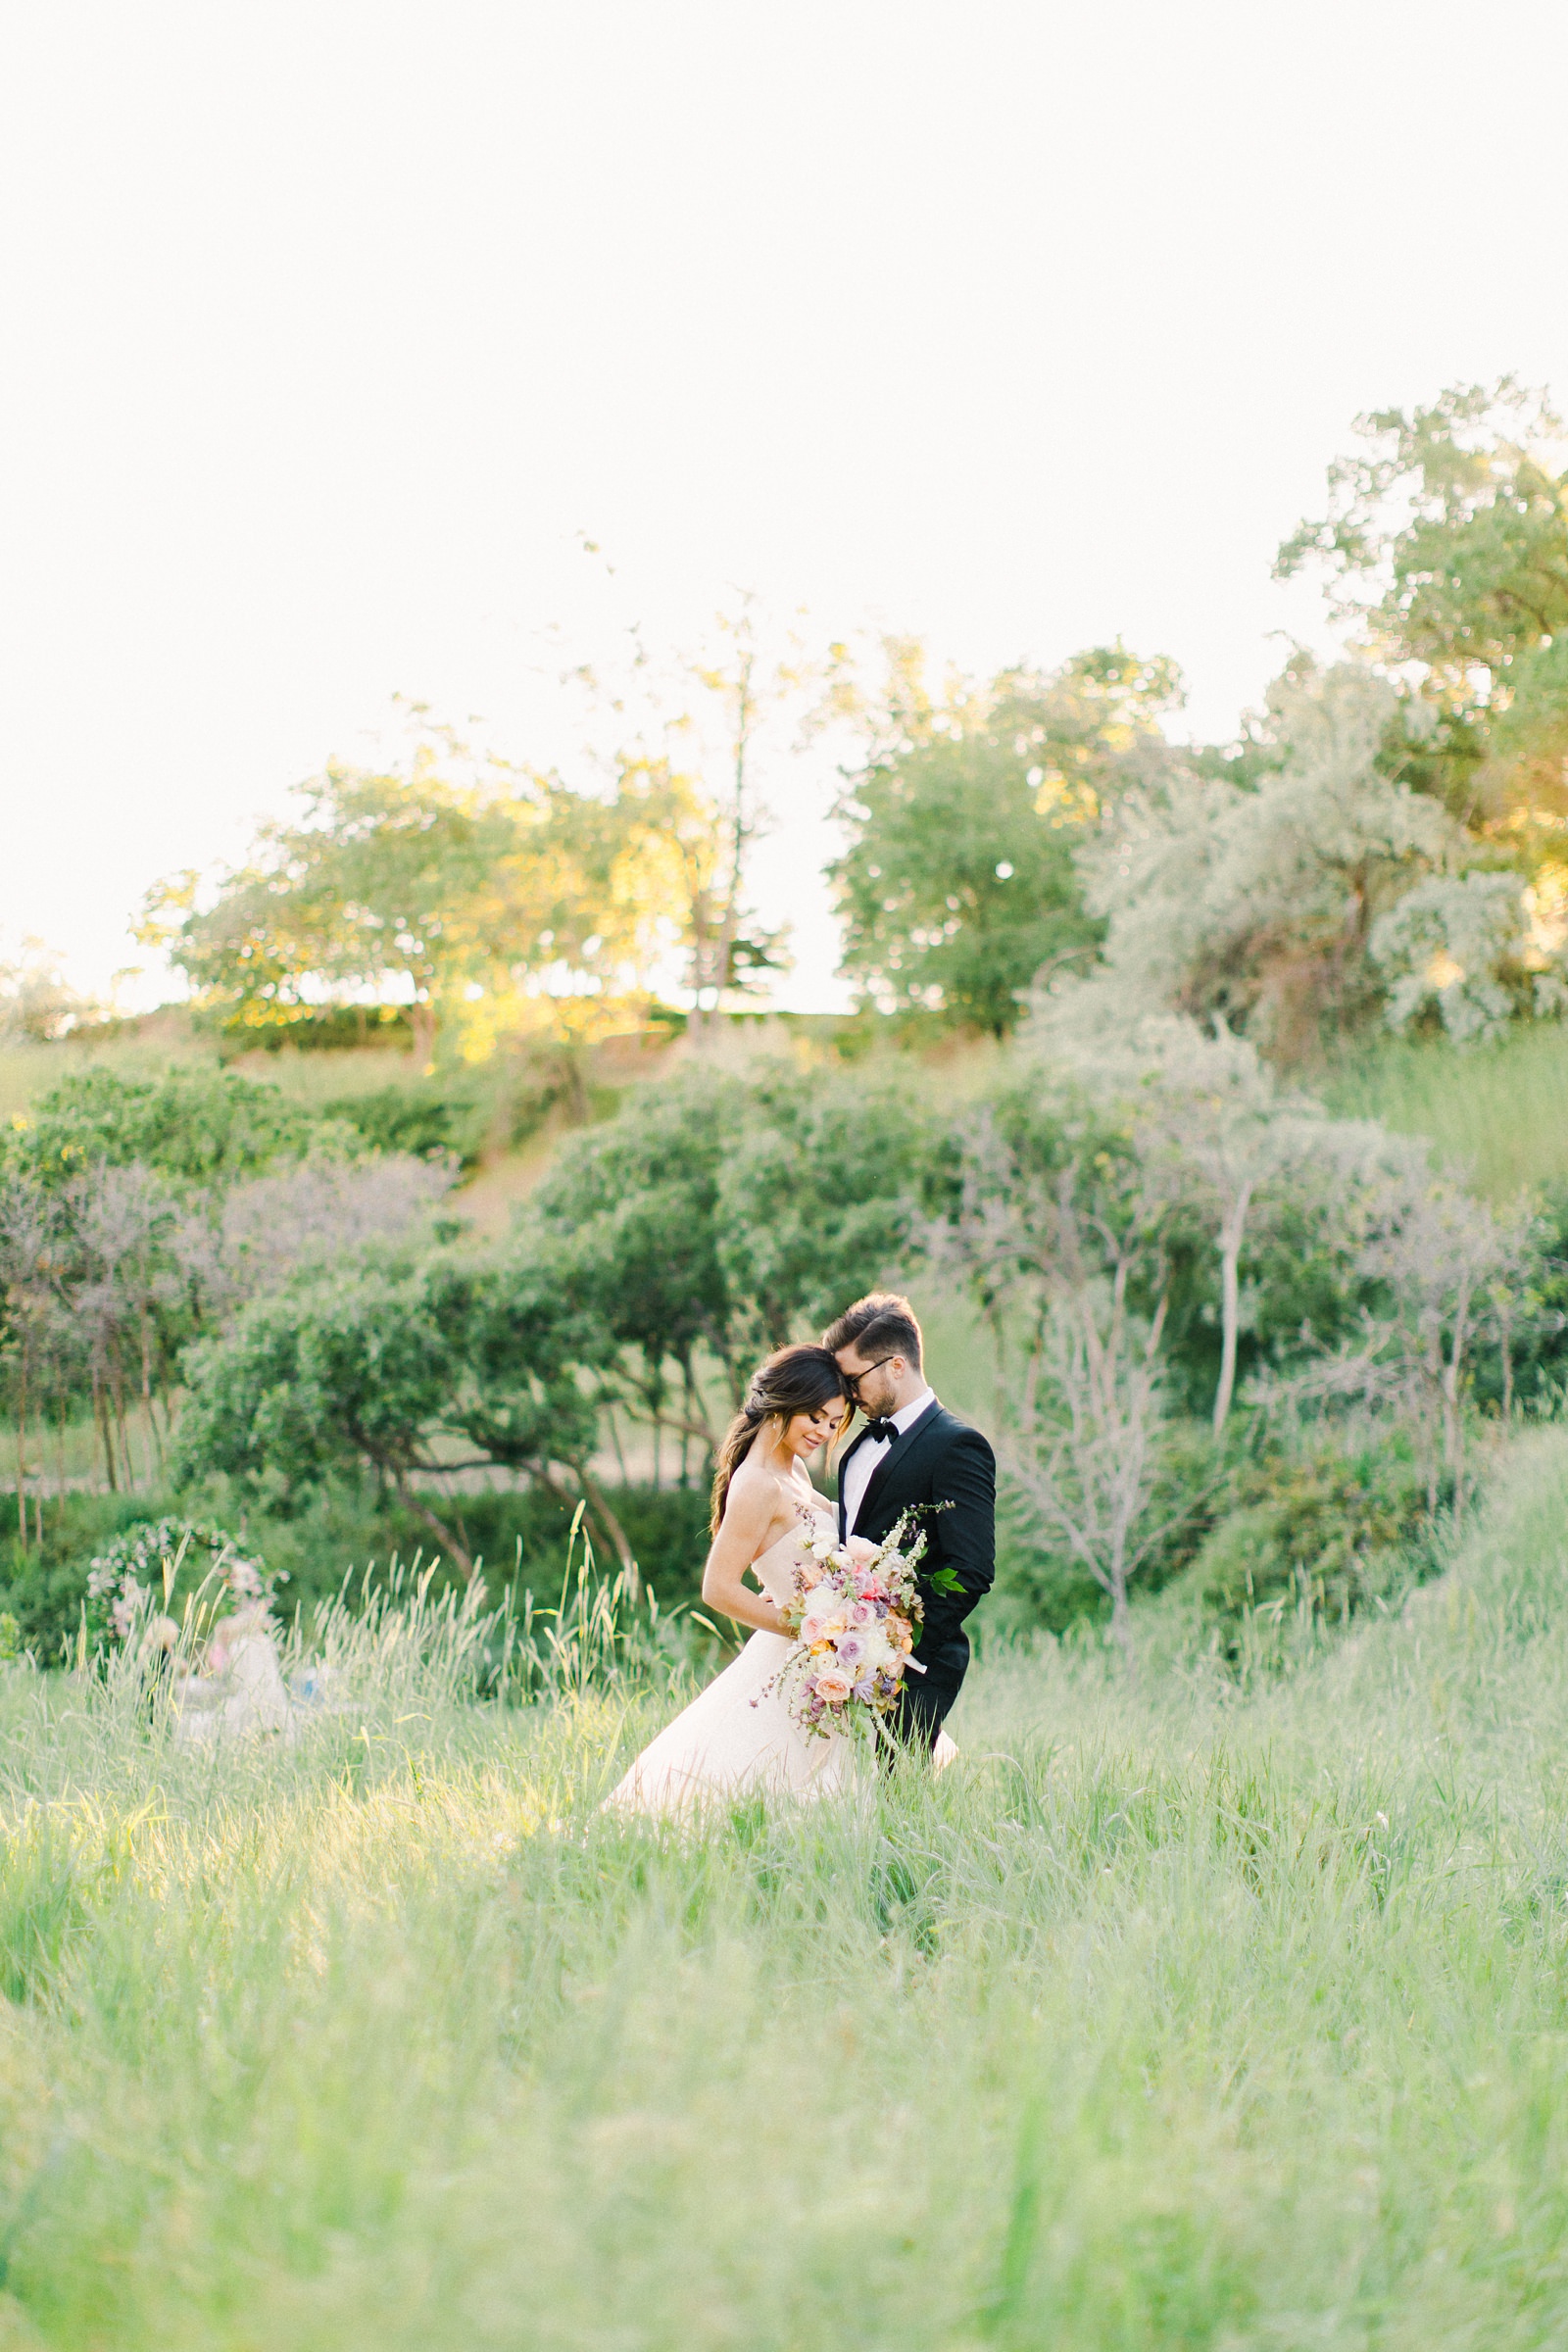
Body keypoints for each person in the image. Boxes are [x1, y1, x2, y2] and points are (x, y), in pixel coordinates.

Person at [606, 1344, 858, 1816]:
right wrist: (808, 1628)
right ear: (785, 1401)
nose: (824, 1432)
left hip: (824, 1659)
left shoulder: (793, 1468)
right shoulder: (758, 1483)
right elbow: (718, 1588)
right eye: (817, 1417)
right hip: (798, 1653)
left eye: (833, 1423)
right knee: (752, 1793)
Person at [825, 1292, 996, 1757]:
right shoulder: (857, 1449)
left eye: (853, 1379)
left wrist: (899, 1648)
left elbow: (972, 1569)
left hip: (917, 1668)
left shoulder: (959, 1446)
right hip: (844, 1662)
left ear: (895, 1366)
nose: (847, 1395)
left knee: (896, 1806)